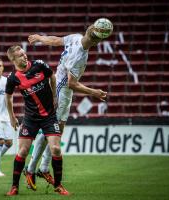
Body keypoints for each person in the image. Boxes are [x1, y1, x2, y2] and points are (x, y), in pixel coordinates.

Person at [25, 22, 110, 186]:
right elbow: (72, 83)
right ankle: (31, 169)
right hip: (61, 90)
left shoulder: (76, 37)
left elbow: (56, 41)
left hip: (63, 90)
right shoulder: (80, 56)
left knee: (57, 131)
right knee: (52, 131)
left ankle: (42, 168)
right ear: (97, 43)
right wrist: (95, 93)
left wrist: (39, 38)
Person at [5, 45, 69, 196]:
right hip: (30, 119)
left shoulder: (39, 64)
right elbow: (8, 97)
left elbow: (52, 76)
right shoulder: (13, 78)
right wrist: (12, 116)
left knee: (56, 149)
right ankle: (14, 187)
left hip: (49, 116)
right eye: (20, 55)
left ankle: (58, 185)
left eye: (24, 53)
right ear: (13, 59)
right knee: (23, 151)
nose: (24, 56)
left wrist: (54, 96)